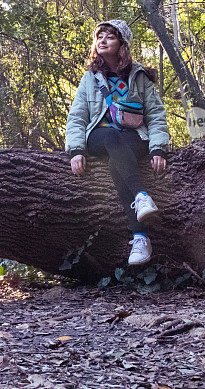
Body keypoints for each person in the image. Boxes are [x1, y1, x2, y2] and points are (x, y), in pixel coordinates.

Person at [65, 19, 170, 266]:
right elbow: (77, 117)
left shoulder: (140, 77)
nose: (102, 40)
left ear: (122, 44)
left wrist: (158, 148)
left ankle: (140, 237)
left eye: (110, 37)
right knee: (112, 137)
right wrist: (76, 150)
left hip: (133, 138)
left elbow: (156, 115)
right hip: (99, 137)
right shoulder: (90, 79)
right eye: (99, 36)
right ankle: (141, 195)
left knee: (117, 163)